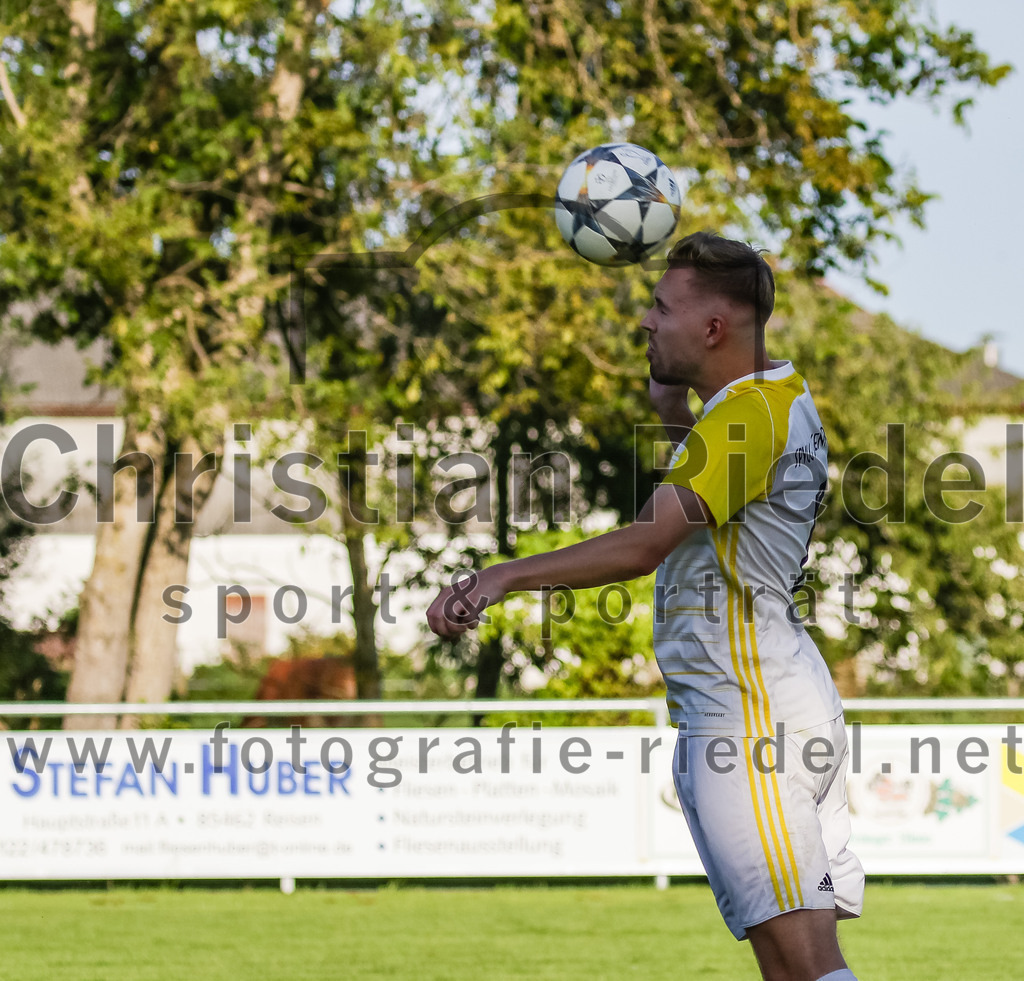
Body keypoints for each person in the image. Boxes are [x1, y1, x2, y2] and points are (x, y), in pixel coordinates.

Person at [426, 230, 864, 981]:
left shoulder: (745, 417)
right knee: (798, 970)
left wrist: (501, 576)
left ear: (714, 328)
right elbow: (722, 510)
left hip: (747, 717)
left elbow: (644, 545)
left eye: (662, 306)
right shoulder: (773, 398)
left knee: (809, 971)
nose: (646, 321)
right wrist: (673, 413)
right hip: (779, 701)